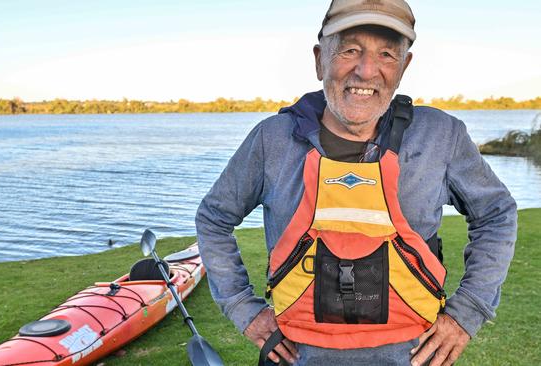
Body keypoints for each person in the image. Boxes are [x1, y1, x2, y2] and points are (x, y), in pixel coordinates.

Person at [195, 0, 517, 365]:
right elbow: (213, 218)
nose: (366, 71)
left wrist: (467, 311)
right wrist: (242, 307)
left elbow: (497, 213)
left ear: (404, 66)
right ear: (319, 59)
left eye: (386, 54)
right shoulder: (273, 140)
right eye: (350, 50)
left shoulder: (441, 137)